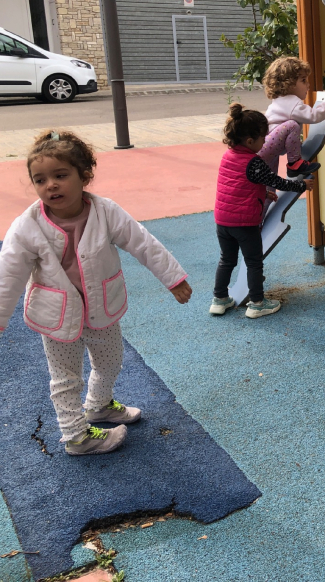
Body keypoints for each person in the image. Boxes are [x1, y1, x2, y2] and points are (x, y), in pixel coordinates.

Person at [0, 131, 192, 456]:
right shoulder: (27, 226)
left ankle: (98, 405)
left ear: (85, 176)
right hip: (58, 316)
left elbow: (142, 242)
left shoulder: (105, 212)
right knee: (65, 379)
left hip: (101, 307)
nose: (51, 185)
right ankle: (76, 437)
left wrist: (173, 278)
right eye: (40, 180)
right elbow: (9, 273)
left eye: (61, 175)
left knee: (111, 362)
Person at [211, 104, 311, 320]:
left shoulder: (228, 156)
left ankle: (219, 299)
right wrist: (302, 185)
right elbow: (277, 181)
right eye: (263, 138)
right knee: (253, 261)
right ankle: (257, 303)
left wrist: (263, 194)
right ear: (250, 141)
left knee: (226, 260)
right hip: (245, 224)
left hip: (223, 221)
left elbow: (237, 186)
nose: (265, 142)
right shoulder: (254, 162)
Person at [261, 56, 325, 177]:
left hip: (266, 147)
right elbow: (313, 116)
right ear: (288, 84)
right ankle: (294, 164)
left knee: (269, 176)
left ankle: (271, 190)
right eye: (303, 80)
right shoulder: (291, 102)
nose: (308, 84)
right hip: (269, 145)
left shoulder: (280, 100)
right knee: (292, 126)